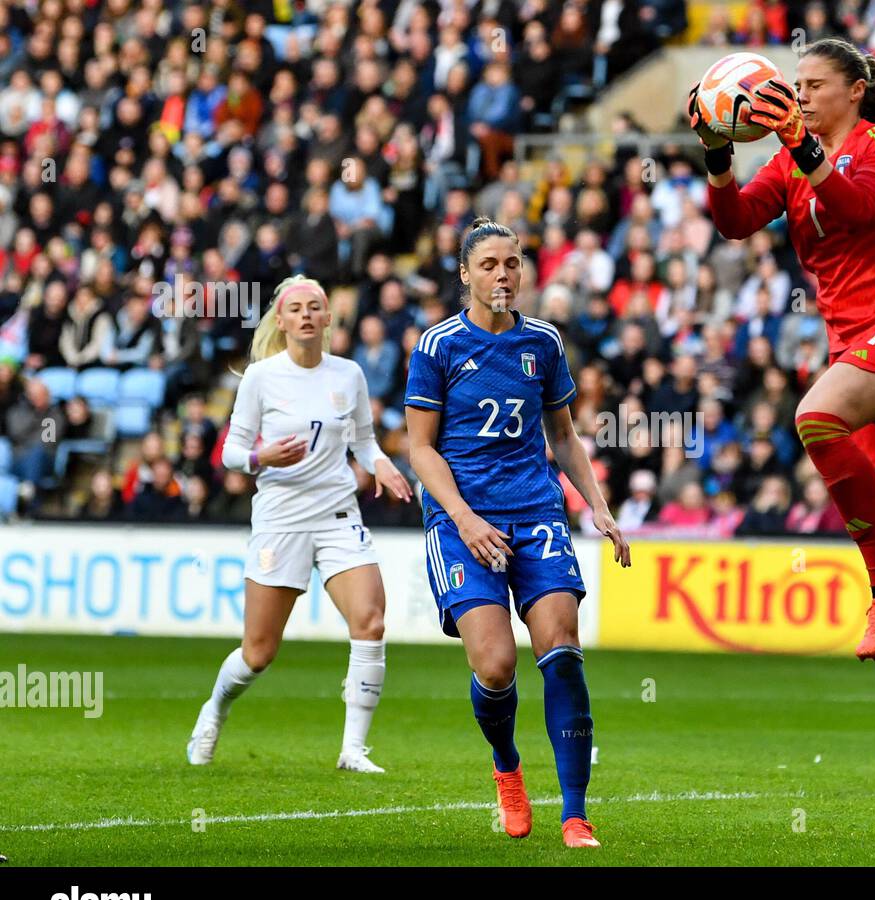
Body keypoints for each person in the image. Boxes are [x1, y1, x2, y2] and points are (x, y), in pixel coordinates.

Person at [690, 37, 875, 780]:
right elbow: (735, 221)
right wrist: (718, 153)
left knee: (814, 418)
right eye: (797, 86)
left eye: (816, 85)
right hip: (866, 347)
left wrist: (794, 141)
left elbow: (853, 204)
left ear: (856, 89)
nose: (803, 96)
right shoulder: (790, 160)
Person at [404, 218, 631, 849]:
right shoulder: (438, 347)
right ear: (465, 274)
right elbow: (419, 450)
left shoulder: (545, 343)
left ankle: (576, 814)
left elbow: (562, 435)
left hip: (536, 510)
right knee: (497, 665)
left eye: (512, 263)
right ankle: (508, 767)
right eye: (489, 265)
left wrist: (600, 508)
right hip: (461, 519)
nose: (502, 275)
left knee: (559, 646)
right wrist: (465, 518)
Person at [186, 274, 413, 774]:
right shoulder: (261, 378)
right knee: (259, 652)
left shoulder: (348, 374)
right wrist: (261, 456)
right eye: (297, 308)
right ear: (282, 321)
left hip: (337, 515)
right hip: (280, 520)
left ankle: (353, 749)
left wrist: (383, 465)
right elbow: (228, 455)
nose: (307, 314)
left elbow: (364, 442)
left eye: (317, 306)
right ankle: (215, 708)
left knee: (371, 622)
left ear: (329, 318)